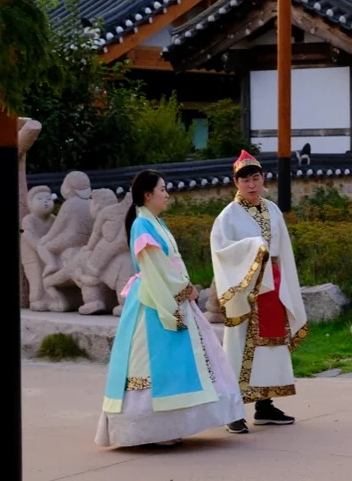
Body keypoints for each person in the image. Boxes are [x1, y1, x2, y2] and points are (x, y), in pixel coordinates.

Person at [95, 170, 244, 448]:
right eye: (162, 189)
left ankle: (169, 425)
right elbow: (155, 267)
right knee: (153, 362)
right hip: (154, 299)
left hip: (167, 294)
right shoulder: (142, 225)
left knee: (177, 361)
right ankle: (153, 428)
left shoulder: (154, 223)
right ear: (147, 194)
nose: (167, 194)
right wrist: (185, 290)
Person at [211, 151, 308, 434]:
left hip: (273, 287)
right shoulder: (227, 217)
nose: (251, 185)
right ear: (235, 183)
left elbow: (284, 250)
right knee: (239, 349)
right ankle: (232, 411)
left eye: (256, 178)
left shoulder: (272, 209)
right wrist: (254, 248)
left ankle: (264, 405)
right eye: (245, 180)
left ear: (263, 178)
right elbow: (221, 252)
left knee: (271, 348)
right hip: (246, 292)